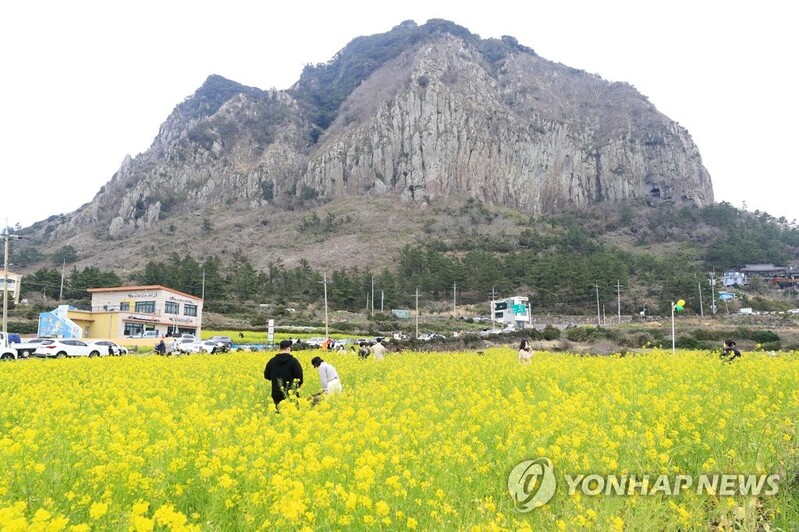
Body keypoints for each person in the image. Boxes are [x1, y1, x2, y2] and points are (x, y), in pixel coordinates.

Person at [264, 339, 304, 409]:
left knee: (279, 415)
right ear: (289, 348)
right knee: (292, 415)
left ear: (280, 348)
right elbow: (299, 377)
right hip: (291, 394)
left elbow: (266, 376)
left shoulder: (272, 361)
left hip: (276, 393)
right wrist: (298, 385)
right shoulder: (294, 362)